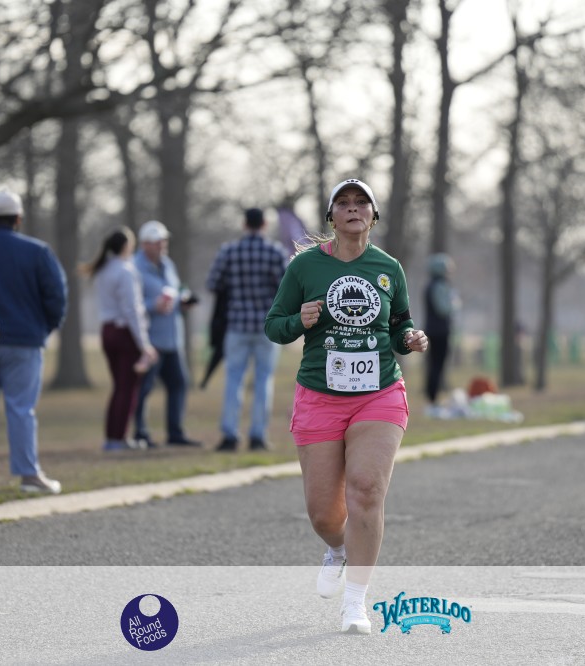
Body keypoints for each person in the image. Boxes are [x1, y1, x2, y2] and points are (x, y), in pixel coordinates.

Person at [264, 178, 429, 635]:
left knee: (366, 490)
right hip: (320, 394)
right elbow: (274, 326)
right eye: (343, 203)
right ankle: (338, 548)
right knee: (323, 513)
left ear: (373, 216)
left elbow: (398, 327)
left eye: (361, 203)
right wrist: (300, 320)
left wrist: (410, 338)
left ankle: (355, 603)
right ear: (331, 217)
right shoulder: (305, 267)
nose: (353, 208)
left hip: (379, 393)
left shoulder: (388, 268)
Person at [0, 189, 67, 494]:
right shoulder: (38, 251)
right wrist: (44, 328)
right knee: (21, 409)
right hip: (24, 341)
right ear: (18, 218)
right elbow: (57, 297)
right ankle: (28, 475)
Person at [206, 208, 287, 452]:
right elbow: (287, 287)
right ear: (264, 224)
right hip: (267, 326)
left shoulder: (229, 251)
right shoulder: (275, 252)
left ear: (244, 224)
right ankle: (258, 436)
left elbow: (213, 283)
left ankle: (230, 434)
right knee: (263, 380)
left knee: (234, 379)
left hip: (236, 325)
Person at [82, 227, 156, 451]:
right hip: (124, 333)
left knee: (119, 387)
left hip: (107, 330)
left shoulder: (103, 270)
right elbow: (132, 309)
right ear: (126, 246)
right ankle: (118, 438)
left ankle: (112, 436)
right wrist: (144, 344)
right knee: (128, 388)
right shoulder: (126, 271)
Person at [132, 220, 202, 448]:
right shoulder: (135, 268)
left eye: (163, 241)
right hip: (150, 340)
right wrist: (153, 306)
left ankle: (175, 432)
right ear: (144, 244)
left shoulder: (168, 264)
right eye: (157, 241)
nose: (162, 245)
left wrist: (183, 301)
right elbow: (132, 304)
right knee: (144, 388)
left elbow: (175, 291)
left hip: (172, 339)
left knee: (179, 383)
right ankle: (140, 434)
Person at [424, 253, 460, 412]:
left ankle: (433, 396)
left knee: (435, 364)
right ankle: (433, 397)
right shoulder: (439, 285)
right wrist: (454, 302)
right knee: (437, 364)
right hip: (439, 331)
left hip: (434, 330)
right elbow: (444, 308)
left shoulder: (432, 284)